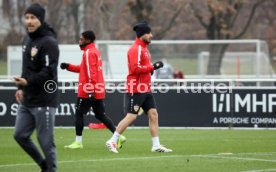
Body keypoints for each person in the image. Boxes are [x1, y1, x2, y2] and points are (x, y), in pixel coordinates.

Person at [105, 21, 173, 153]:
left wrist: (151, 69)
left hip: (145, 88)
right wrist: (152, 67)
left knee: (153, 114)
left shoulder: (144, 49)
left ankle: (156, 145)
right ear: (142, 34)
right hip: (136, 88)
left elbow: (144, 68)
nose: (151, 35)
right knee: (132, 116)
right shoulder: (135, 49)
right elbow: (134, 69)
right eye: (148, 33)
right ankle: (112, 140)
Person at [60, 30, 126, 149]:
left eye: (81, 39)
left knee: (79, 113)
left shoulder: (88, 52)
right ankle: (118, 136)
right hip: (98, 89)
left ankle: (78, 142)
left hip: (88, 90)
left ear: (88, 40)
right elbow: (84, 69)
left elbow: (91, 73)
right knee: (101, 115)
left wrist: (90, 90)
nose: (79, 41)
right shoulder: (94, 51)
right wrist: (68, 66)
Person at [13, 3, 59, 172]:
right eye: (27, 17)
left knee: (46, 142)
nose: (29, 21)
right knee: (19, 135)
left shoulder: (49, 42)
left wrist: (28, 82)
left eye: (33, 18)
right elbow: (26, 69)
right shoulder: (27, 39)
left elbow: (48, 72)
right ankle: (43, 165)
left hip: (44, 100)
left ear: (40, 19)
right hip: (27, 98)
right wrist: (20, 87)